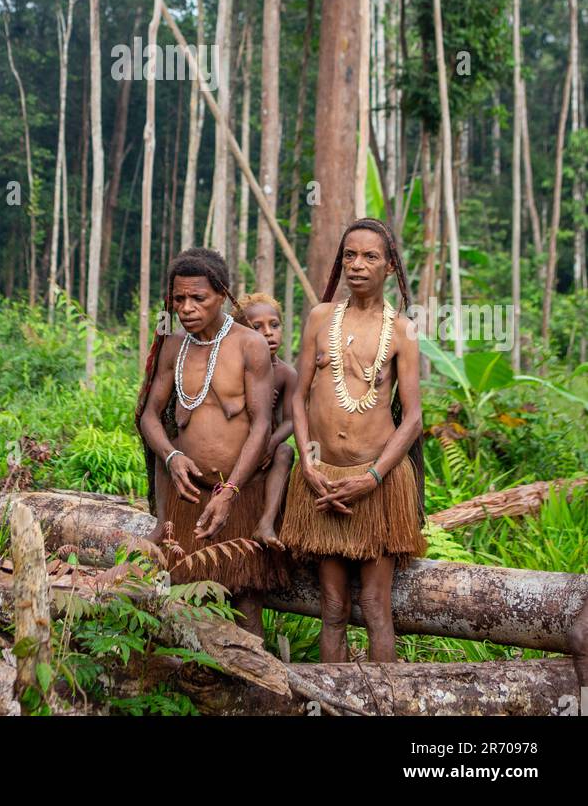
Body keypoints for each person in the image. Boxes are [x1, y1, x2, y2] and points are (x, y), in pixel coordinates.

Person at [279, 218, 426, 662]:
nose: (357, 265)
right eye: (349, 255)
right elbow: (298, 399)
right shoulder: (321, 318)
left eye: (370, 256)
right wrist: (307, 463)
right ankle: (333, 703)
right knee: (333, 609)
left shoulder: (402, 330)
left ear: (389, 266)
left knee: (376, 607)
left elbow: (414, 418)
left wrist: (374, 477)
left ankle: (386, 703)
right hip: (322, 482)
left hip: (376, 485)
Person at [137, 247, 288, 635]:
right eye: (179, 299)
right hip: (188, 496)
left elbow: (260, 425)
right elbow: (149, 416)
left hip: (239, 493)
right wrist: (171, 456)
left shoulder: (248, 345)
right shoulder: (174, 345)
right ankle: (197, 688)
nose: (186, 308)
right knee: (188, 603)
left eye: (198, 298)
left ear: (221, 295)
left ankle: (255, 688)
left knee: (244, 601)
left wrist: (231, 491)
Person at [234, 293, 297, 550]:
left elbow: (291, 420)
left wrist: (270, 443)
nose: (268, 333)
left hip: (266, 450)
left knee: (285, 451)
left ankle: (267, 522)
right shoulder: (233, 366)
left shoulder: (285, 373)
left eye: (274, 325)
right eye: (256, 327)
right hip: (234, 444)